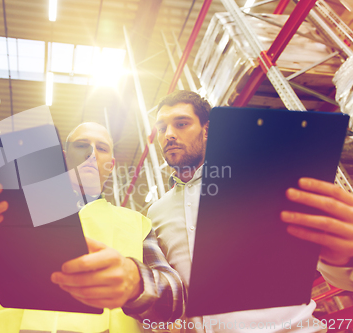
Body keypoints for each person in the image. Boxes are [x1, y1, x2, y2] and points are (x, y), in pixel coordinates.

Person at [0, 122, 185, 333]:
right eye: (81, 144)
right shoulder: (15, 217)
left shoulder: (136, 224)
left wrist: (136, 282)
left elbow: (175, 302)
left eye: (101, 147)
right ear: (64, 156)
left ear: (110, 164)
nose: (91, 152)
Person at [145, 90, 353, 332]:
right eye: (162, 128)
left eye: (181, 123)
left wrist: (344, 256)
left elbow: (337, 275)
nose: (169, 134)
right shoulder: (156, 212)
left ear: (207, 130)